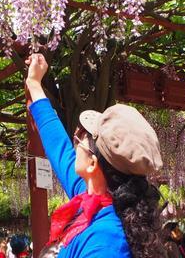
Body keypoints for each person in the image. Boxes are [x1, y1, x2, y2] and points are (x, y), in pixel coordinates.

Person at [25, 53, 163, 258]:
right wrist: (34, 83)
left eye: (82, 136)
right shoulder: (92, 198)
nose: (75, 136)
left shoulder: (106, 241)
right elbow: (58, 148)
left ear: (92, 163)